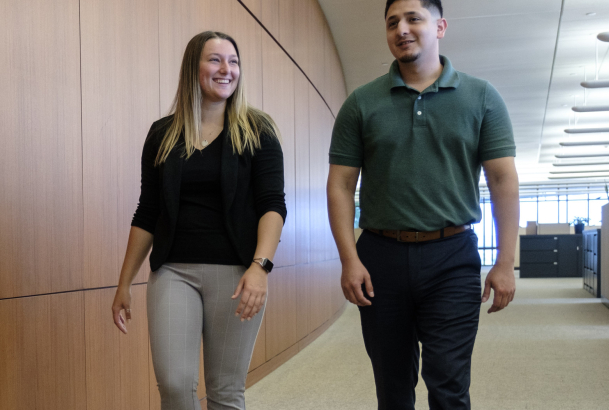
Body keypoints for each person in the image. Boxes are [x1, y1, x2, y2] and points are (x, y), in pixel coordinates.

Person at [325, 0, 520, 408]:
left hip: (452, 256)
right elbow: (341, 185)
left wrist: (506, 261)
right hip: (380, 258)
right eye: (392, 22)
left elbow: (502, 178)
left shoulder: (482, 97)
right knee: (393, 390)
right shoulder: (361, 103)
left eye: (414, 18)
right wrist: (349, 259)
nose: (402, 29)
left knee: (449, 387)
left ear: (441, 27)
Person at [109, 31, 286, 410]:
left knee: (225, 391)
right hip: (173, 270)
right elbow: (147, 211)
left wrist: (261, 267)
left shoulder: (259, 130)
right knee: (174, 384)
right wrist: (124, 283)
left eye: (233, 61)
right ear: (194, 68)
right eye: (215, 60)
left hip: (237, 274)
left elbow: (273, 205)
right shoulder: (162, 134)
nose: (226, 69)